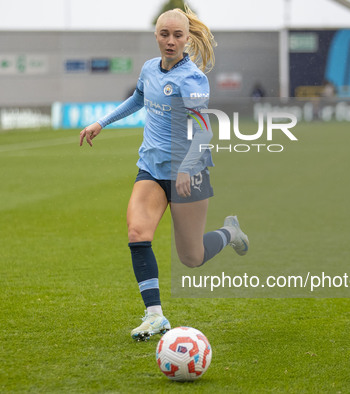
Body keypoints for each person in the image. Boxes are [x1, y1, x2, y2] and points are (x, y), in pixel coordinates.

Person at [79, 5, 249, 341]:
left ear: (187, 39)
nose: (170, 41)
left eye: (177, 35)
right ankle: (154, 316)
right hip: (152, 169)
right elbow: (136, 100)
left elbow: (204, 132)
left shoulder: (193, 79)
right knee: (137, 231)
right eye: (164, 34)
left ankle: (230, 232)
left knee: (192, 257)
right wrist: (102, 122)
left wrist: (186, 168)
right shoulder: (148, 70)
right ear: (156, 36)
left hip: (191, 174)